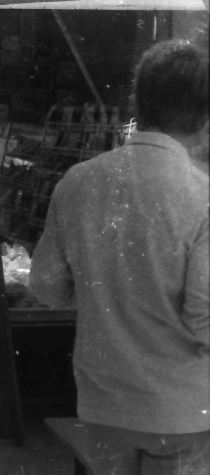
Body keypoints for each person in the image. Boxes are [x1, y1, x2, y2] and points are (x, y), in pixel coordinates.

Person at [30, 40, 209, 475]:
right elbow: (205, 315)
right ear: (204, 119)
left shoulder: (78, 181)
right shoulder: (202, 196)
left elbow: (46, 288)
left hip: (103, 405)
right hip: (181, 411)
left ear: (138, 102)